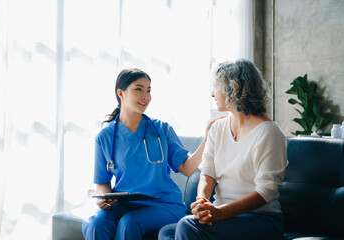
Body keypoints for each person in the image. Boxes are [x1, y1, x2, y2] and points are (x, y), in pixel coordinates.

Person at [158, 59, 288, 240]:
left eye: (216, 87)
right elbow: (208, 174)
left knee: (186, 227)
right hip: (222, 217)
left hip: (261, 218)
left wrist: (219, 213)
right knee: (167, 232)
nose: (212, 94)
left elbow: (265, 192)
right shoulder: (217, 128)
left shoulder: (268, 132)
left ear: (234, 89)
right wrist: (202, 203)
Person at [82, 68, 214, 240]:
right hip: (125, 204)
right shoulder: (105, 137)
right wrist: (105, 200)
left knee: (129, 223)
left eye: (149, 90)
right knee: (97, 224)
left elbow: (187, 169)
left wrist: (207, 140)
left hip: (163, 204)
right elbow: (102, 182)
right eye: (139, 89)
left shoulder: (162, 130)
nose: (146, 96)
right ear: (120, 93)